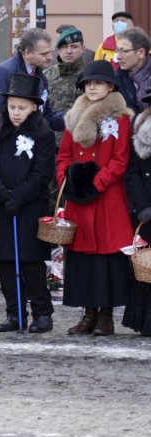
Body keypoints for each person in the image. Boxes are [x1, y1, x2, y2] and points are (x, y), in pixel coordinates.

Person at [57, 60, 133, 336]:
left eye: (98, 83)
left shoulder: (120, 119)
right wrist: (67, 180)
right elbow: (64, 155)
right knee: (82, 258)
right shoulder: (73, 117)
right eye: (88, 83)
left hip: (106, 198)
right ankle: (88, 314)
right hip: (79, 198)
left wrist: (96, 184)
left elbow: (120, 160)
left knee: (106, 259)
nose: (92, 87)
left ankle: (106, 316)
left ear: (110, 86)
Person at [0, 74, 56, 333]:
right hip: (0, 205)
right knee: (5, 261)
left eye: (22, 108)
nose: (16, 113)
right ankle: (14, 313)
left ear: (34, 107)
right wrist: (0, 194)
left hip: (29, 206)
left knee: (30, 261)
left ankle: (42, 313)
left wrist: (18, 196)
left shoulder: (42, 134)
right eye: (12, 107)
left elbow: (43, 172)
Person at [123, 88, 151, 337]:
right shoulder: (140, 131)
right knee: (147, 266)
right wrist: (142, 205)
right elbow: (131, 172)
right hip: (147, 211)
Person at [46, 28, 89, 118]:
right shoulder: (46, 75)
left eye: (74, 47)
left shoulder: (90, 76)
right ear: (58, 49)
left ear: (83, 49)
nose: (69, 51)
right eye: (64, 47)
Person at [113, 27, 151, 114]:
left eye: (124, 51)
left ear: (141, 53)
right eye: (117, 50)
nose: (118, 57)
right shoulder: (114, 80)